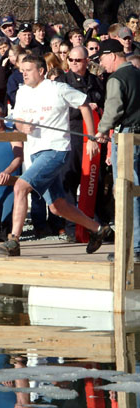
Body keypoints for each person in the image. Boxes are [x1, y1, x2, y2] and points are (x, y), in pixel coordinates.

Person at [0, 54, 111, 256]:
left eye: (28, 70)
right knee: (57, 206)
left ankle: (13, 241)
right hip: (37, 152)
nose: (24, 74)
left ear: (41, 71)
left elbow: (84, 103)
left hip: (57, 149)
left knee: (21, 186)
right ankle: (98, 230)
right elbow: (18, 121)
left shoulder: (57, 88)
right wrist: (24, 127)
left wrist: (91, 137)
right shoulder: (22, 93)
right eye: (22, 70)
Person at [94, 39, 140, 262]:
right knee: (137, 191)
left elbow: (113, 110)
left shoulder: (117, 78)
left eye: (101, 58)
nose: (101, 64)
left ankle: (133, 248)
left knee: (124, 193)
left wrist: (102, 131)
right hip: (138, 137)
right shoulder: (138, 73)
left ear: (112, 55)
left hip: (126, 138)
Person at [57, 45, 106, 241]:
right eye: (70, 59)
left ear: (87, 61)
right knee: (69, 180)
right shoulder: (62, 82)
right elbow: (60, 109)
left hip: (93, 137)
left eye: (78, 60)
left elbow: (104, 105)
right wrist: (84, 107)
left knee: (95, 180)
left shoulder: (95, 82)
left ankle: (97, 226)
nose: (73, 63)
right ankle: (71, 228)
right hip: (71, 135)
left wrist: (97, 108)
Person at [0, 101, 23, 241]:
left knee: (7, 219)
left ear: (3, 116)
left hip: (10, 183)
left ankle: (11, 241)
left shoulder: (12, 133)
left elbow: (19, 158)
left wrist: (8, 171)